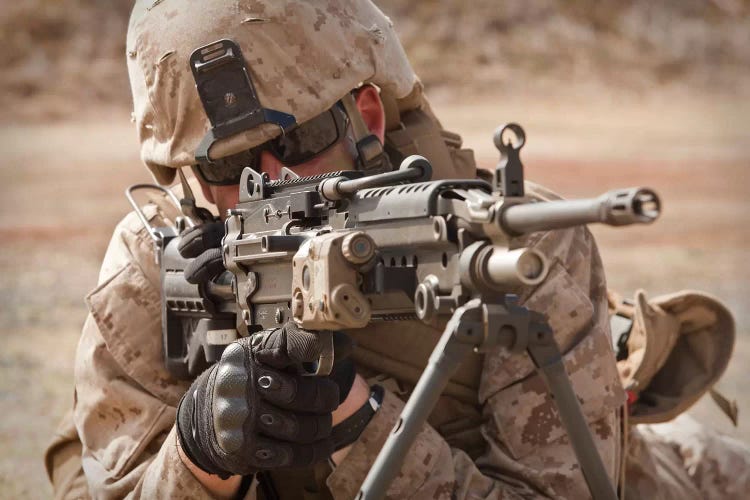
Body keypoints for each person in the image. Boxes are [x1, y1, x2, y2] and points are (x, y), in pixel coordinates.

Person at [44, 1, 749, 499]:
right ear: (190, 181)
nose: (280, 182)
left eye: (299, 140)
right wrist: (201, 456)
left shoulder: (513, 241)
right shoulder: (154, 265)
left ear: (369, 115)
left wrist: (354, 421)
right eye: (232, 170)